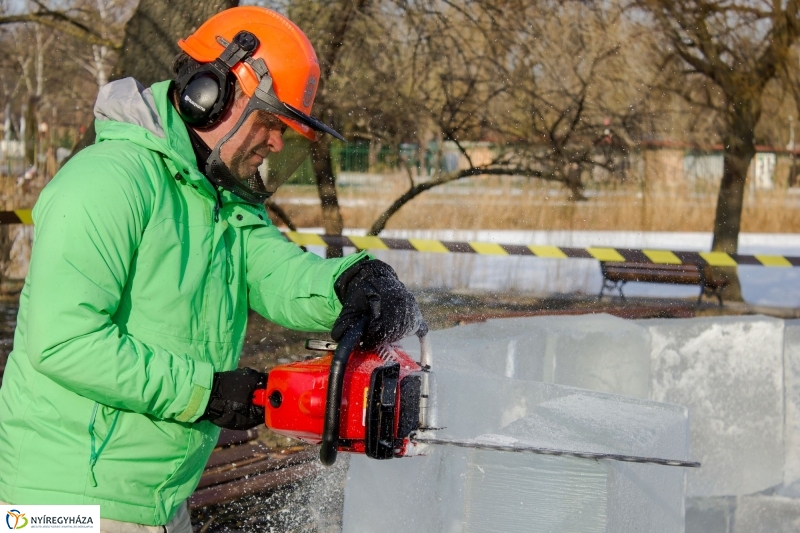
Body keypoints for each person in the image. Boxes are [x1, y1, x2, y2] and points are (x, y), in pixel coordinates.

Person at [0, 7, 425, 532]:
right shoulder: (106, 183)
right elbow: (62, 341)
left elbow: (274, 272)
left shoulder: (220, 196)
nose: (275, 143)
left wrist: (351, 282)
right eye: (271, 122)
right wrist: (207, 391)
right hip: (64, 502)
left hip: (158, 498)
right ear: (210, 92)